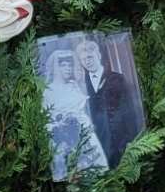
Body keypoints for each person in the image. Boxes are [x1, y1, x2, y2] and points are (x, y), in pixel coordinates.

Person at [40, 44, 108, 178]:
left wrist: (87, 126)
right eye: (63, 65)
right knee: (71, 172)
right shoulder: (48, 91)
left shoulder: (75, 86)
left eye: (69, 65)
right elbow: (46, 118)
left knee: (95, 168)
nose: (67, 68)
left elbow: (84, 111)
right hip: (62, 138)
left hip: (84, 133)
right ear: (56, 67)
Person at [75, 35, 142, 164]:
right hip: (96, 141)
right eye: (83, 59)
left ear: (98, 55)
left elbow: (129, 110)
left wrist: (131, 139)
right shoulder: (82, 83)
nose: (87, 62)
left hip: (118, 139)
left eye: (90, 57)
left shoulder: (117, 79)